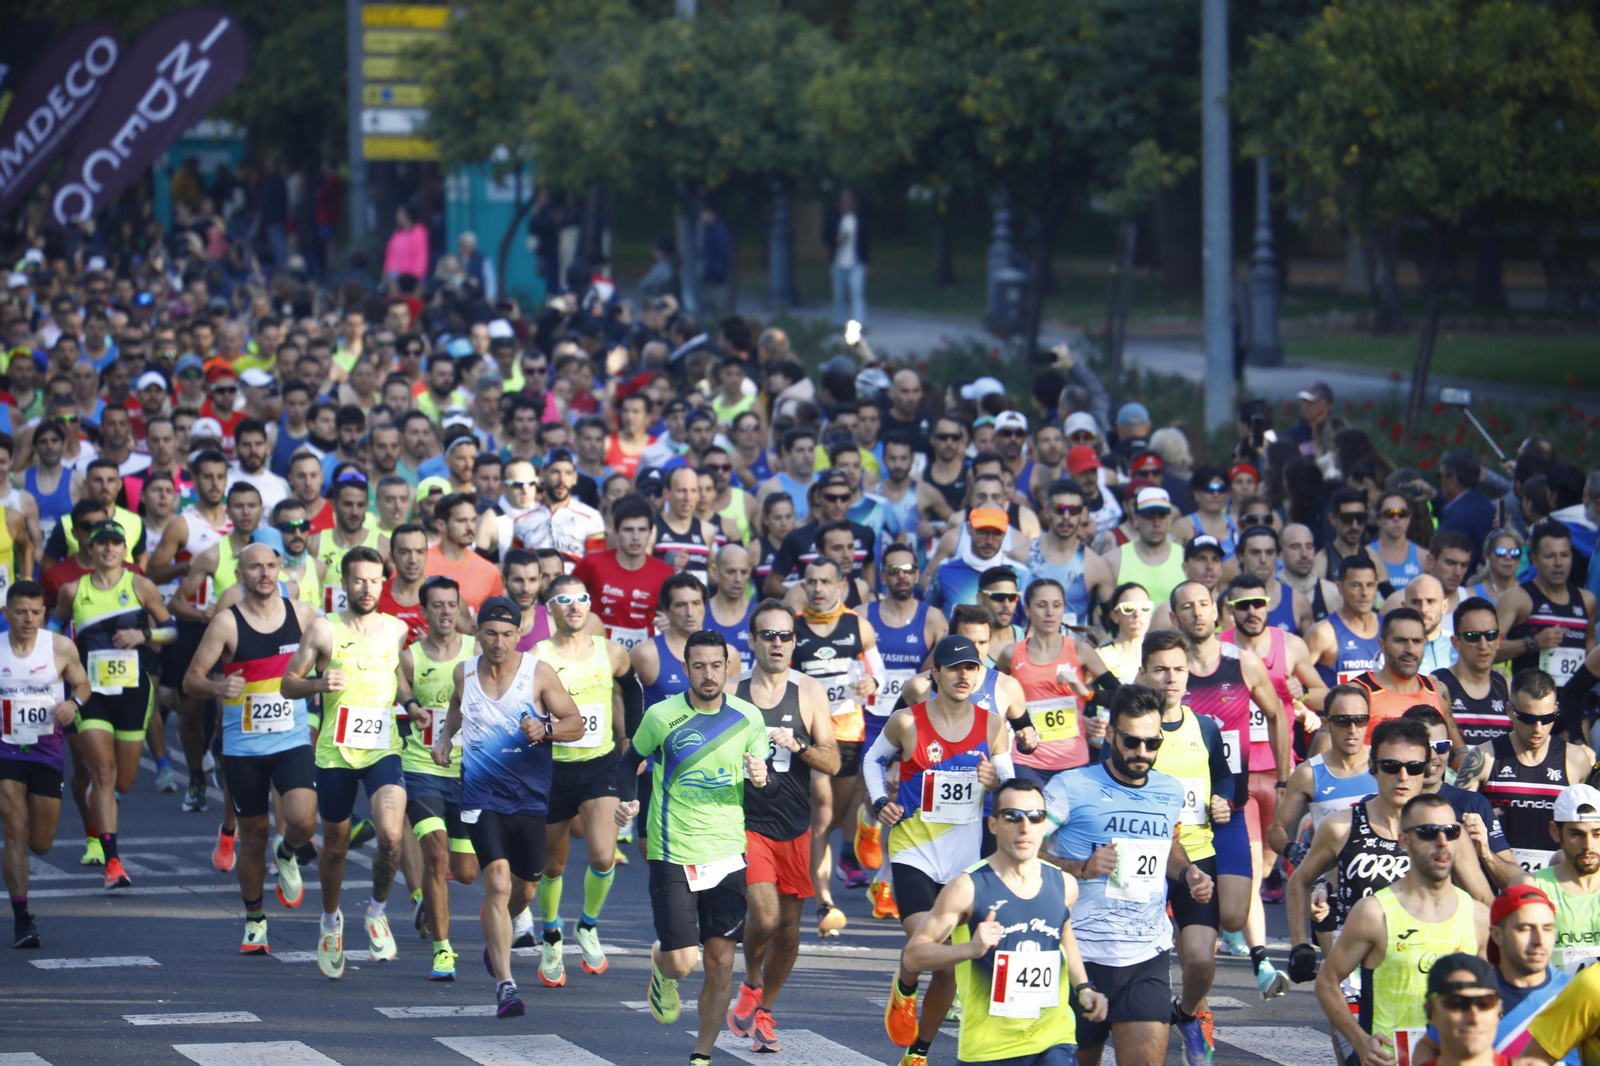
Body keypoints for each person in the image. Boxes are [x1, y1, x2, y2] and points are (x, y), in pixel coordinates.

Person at [615, 629, 776, 1066]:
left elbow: (766, 777)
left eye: (716, 665)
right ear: (685, 669)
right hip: (672, 849)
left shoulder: (748, 718)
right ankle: (662, 965)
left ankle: (701, 1055)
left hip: (727, 852)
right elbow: (629, 762)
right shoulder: (661, 716)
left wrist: (763, 777)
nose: (709, 674)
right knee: (684, 962)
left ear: (729, 667)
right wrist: (626, 799)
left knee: (721, 960)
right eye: (699, 666)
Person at [1041, 683, 1217, 1066]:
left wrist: (1188, 874)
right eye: (1132, 742)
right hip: (1079, 956)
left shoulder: (1169, 791)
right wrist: (1079, 868)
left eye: (1152, 744)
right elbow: (1023, 852)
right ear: (1111, 734)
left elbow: (1167, 847)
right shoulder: (1070, 786)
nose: (1142, 753)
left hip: (1145, 955)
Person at [431, 596, 584, 1017]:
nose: (498, 642)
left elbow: (577, 723)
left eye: (507, 633)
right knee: (496, 885)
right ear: (477, 633)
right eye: (490, 633)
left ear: (519, 634)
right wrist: (445, 739)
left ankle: (494, 938)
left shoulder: (538, 673)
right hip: (480, 796)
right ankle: (506, 983)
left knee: (525, 889)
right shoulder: (464, 673)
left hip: (530, 798)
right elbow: (456, 711)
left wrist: (547, 727)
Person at [868, 634, 1010, 1066]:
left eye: (971, 668)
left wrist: (995, 782)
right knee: (931, 948)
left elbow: (1010, 786)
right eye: (954, 667)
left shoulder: (993, 724)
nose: (962, 675)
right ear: (936, 673)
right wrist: (879, 803)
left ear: (979, 674)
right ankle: (907, 983)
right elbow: (872, 760)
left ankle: (918, 1053)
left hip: (965, 861)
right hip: (913, 852)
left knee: (948, 966)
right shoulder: (908, 723)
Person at [902, 777, 1111, 1066]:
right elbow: (913, 955)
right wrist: (968, 950)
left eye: (1036, 817)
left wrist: (1084, 988)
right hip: (988, 1050)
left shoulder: (1064, 885)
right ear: (993, 824)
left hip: (1053, 1040)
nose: (1025, 827)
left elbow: (1065, 937)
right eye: (1012, 817)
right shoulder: (967, 888)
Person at [280, 546, 416, 980]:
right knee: (336, 845)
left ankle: (377, 911)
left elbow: (396, 675)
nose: (367, 588)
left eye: (375, 580)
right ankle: (331, 920)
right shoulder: (323, 630)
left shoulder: (396, 629)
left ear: (383, 582)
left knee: (392, 834)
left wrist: (410, 703)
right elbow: (288, 684)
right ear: (344, 583)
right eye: (359, 580)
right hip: (335, 752)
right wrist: (319, 682)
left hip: (383, 747)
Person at [182, 542, 319, 954]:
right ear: (240, 574)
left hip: (292, 739)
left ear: (281, 569)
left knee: (303, 821)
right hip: (243, 747)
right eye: (254, 567)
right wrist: (217, 686)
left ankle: (290, 851)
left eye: (270, 566)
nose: (264, 573)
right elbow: (191, 679)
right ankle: (255, 919)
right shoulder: (226, 623)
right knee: (254, 835)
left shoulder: (303, 615)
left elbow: (330, 660)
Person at [726, 598, 839, 1054]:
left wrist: (800, 745)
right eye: (768, 635)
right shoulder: (731, 692)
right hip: (745, 820)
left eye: (785, 636)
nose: (777, 643)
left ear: (795, 641)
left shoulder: (809, 691)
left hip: (794, 824)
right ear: (752, 641)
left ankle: (765, 1011)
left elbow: (831, 761)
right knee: (766, 916)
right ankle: (751, 981)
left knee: (789, 930)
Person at [1313, 792, 1489, 1066]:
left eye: (1451, 832)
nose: (1442, 842)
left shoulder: (1477, 915)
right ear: (1404, 840)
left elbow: (1490, 998)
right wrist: (1359, 1041)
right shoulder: (1374, 912)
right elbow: (1326, 981)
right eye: (1429, 832)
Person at [55, 519, 175, 890]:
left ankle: (100, 800)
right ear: (90, 549)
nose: (109, 549)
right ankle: (113, 863)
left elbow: (172, 630)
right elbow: (53, 631)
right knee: (102, 772)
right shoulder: (73, 591)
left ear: (125, 550)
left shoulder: (139, 585)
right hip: (91, 692)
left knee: (123, 778)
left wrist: (144, 634)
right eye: (102, 543)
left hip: (133, 691)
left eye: (116, 543)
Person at [531, 574, 632, 985]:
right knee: (552, 864)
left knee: (603, 856)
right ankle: (552, 932)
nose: (575, 606)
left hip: (599, 765)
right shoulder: (538, 654)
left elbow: (631, 689)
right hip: (553, 768)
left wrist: (630, 738)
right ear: (550, 607)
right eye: (564, 599)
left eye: (582, 598)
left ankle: (587, 925)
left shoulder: (611, 652)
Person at [1221, 573, 1327, 902]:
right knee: (1250, 858)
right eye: (1243, 605)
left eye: (1259, 604)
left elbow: (1326, 695)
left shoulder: (1291, 645)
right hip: (1233, 764)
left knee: (1267, 859)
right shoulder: (1218, 646)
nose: (1252, 611)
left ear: (1267, 606)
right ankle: (1243, 932)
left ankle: (1244, 915)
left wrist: (1304, 694)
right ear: (1231, 609)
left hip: (1278, 766)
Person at [395, 576, 480, 981]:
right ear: (423, 611)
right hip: (422, 767)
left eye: (452, 604)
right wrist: (411, 703)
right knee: (436, 854)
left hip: (470, 772)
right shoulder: (412, 657)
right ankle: (443, 951)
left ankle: (430, 899)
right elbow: (395, 679)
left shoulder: (475, 651)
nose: (446, 612)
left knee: (465, 871)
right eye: (437, 605)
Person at [791, 555, 881, 931]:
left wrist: (870, 684)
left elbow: (878, 676)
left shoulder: (857, 627)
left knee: (836, 815)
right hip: (810, 734)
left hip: (847, 733)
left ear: (840, 587)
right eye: (811, 581)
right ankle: (824, 899)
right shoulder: (792, 628)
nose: (818, 588)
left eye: (825, 582)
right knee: (822, 812)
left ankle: (860, 825)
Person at [0, 581, 90, 949]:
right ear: (6, 613)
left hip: (47, 751)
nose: (29, 619)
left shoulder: (59, 647)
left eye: (36, 612)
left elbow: (83, 685)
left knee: (40, 843)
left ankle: (23, 912)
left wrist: (74, 705)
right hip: (5, 750)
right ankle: (22, 919)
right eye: (21, 611)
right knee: (15, 831)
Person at [1267, 684, 1378, 954]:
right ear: (1327, 723)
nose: (1352, 730)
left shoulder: (1386, 764)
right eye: (1342, 721)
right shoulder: (1310, 774)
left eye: (1360, 720)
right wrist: (1294, 851)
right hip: (1331, 893)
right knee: (1341, 984)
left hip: (1381, 889)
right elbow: (1275, 830)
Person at [1458, 671, 1594, 875]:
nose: (1538, 728)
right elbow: (1455, 826)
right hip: (1497, 878)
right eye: (1528, 718)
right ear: (1509, 710)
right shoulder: (1483, 758)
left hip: (1557, 881)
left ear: (1556, 710)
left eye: (1548, 718)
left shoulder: (1576, 760)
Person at [996, 578, 1107, 785]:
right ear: (1027, 610)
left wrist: (1088, 695)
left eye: (1057, 605)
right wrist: (1016, 726)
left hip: (1074, 761)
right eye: (1041, 605)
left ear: (1064, 608)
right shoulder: (1011, 654)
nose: (1050, 612)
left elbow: (1119, 695)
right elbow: (990, 698)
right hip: (1027, 761)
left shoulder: (1080, 651)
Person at [1497, 521, 1595, 689]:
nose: (1558, 563)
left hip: (1575, 705)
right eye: (1550, 556)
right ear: (1534, 559)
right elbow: (1487, 649)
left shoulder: (1587, 600)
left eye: (1564, 555)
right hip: (1531, 704)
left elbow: (1591, 650)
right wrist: (1533, 643)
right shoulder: (1517, 598)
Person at [572, 495, 675, 651]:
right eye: (628, 530)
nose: (635, 537)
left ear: (651, 532)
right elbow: (566, 600)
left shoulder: (665, 573)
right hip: (596, 653)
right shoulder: (592, 563)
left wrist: (671, 622)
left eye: (642, 530)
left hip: (643, 657)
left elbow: (676, 616)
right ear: (615, 531)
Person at [1521, 782, 1600, 978]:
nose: (1588, 845)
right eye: (1576, 834)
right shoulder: (1531, 886)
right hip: (1554, 1005)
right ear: (1555, 831)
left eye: (1597, 834)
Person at [1026, 477, 1115, 629]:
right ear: (1047, 511)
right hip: (1029, 649)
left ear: (1082, 513)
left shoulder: (1096, 565)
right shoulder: (1022, 556)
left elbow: (1112, 624)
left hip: (1075, 650)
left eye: (1073, 510)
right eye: (1060, 509)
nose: (1066, 517)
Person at [1436, 596, 1515, 748]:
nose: (1483, 645)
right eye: (1473, 637)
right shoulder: (1437, 684)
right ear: (1456, 642)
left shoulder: (1508, 689)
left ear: (1498, 640)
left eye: (1490, 635)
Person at [1305, 555, 1384, 693]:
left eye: (1369, 585)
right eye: (1356, 585)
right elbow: (1295, 683)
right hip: (1337, 713)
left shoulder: (1388, 628)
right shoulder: (1323, 632)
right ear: (1340, 587)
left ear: (1376, 587)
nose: (1364, 593)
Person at [1103, 488, 1187, 609]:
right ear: (1135, 519)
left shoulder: (1185, 558)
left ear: (1169, 519)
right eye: (1149, 517)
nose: (1156, 524)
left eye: (1162, 516)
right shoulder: (1113, 561)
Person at [426, 493, 504, 613]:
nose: (470, 528)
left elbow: (497, 620)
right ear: (441, 525)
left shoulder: (489, 571)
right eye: (462, 521)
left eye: (473, 520)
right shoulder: (420, 564)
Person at [704, 544, 755, 671]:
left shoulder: (760, 615)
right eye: (730, 572)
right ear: (716, 572)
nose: (738, 579)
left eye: (743, 572)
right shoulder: (698, 614)